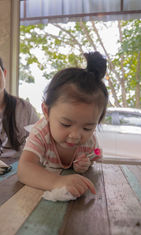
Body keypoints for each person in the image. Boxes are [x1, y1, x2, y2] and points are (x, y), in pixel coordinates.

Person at [17, 51, 108, 198]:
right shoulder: (41, 132)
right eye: (66, 124)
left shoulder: (89, 140)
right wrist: (56, 181)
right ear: (46, 112)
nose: (76, 135)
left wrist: (88, 161)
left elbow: (98, 153)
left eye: (87, 128)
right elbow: (24, 169)